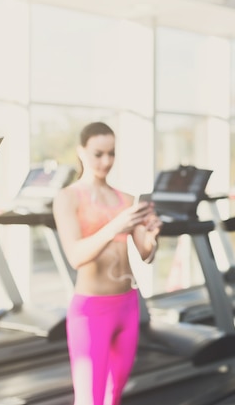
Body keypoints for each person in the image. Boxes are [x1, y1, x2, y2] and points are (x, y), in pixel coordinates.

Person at [53, 122, 162, 405]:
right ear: (81, 151)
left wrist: (152, 236)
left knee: (113, 396)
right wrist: (116, 225)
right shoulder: (67, 198)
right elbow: (76, 256)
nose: (106, 161)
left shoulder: (125, 199)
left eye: (111, 154)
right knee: (90, 400)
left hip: (127, 306)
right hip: (91, 312)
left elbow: (146, 254)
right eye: (98, 154)